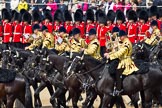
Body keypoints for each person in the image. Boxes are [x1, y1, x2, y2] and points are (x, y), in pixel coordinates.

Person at [104, 30, 139, 96]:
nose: (119, 38)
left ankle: (118, 89)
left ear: (124, 36)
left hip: (126, 61)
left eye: (120, 37)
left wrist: (110, 56)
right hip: (122, 60)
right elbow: (117, 51)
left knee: (118, 72)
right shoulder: (123, 42)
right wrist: (109, 53)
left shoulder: (127, 43)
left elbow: (121, 52)